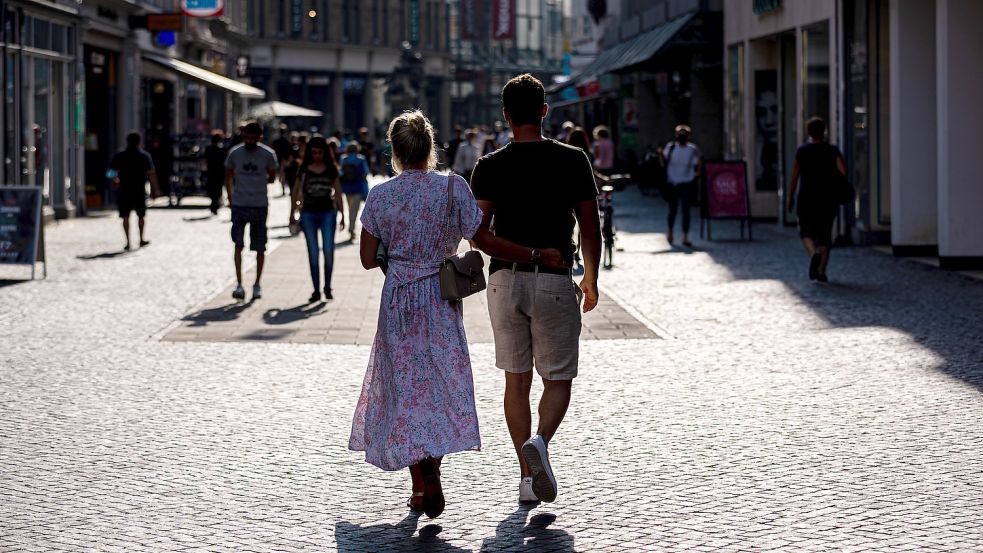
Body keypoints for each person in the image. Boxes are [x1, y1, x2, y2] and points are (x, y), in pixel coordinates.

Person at [470, 74, 601, 504]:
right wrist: (592, 278)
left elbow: (479, 236)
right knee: (558, 377)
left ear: (506, 116)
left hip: (504, 281)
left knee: (516, 381)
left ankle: (526, 478)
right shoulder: (572, 158)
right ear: (545, 111)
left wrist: (525, 253)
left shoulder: (489, 165)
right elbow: (590, 226)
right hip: (553, 281)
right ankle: (541, 442)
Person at [349, 110, 484, 519]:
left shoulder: (381, 195)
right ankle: (434, 470)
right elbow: (479, 231)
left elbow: (367, 258)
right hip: (441, 297)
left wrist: (399, 254)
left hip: (399, 300)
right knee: (441, 384)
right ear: (430, 148)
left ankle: (419, 482)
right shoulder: (453, 187)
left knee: (406, 388)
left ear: (395, 150)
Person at [787, 117, 847, 282]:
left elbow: (794, 177)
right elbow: (843, 172)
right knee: (825, 234)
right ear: (824, 131)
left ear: (809, 133)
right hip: (828, 198)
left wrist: (790, 197)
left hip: (807, 197)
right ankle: (821, 271)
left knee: (805, 232)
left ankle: (814, 254)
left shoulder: (802, 151)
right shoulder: (832, 150)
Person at [225, 122, 278, 301]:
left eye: (252, 138)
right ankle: (239, 284)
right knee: (238, 244)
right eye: (246, 137)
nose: (249, 141)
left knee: (259, 247)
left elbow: (272, 177)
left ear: (259, 138)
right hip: (240, 204)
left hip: (259, 204)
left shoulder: (268, 155)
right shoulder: (235, 153)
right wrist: (231, 200)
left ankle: (256, 284)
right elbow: (228, 176)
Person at [290, 136, 344, 302]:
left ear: (325, 153)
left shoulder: (331, 168)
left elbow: (338, 192)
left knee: (328, 251)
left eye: (320, 152)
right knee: (313, 253)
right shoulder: (304, 168)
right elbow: (295, 190)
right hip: (308, 214)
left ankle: (327, 287)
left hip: (328, 212)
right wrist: (291, 213)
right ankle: (316, 290)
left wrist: (343, 215)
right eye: (314, 152)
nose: (317, 156)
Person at [110, 132, 160, 250]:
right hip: (139, 189)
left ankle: (128, 241)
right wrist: (155, 189)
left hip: (124, 189)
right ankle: (141, 239)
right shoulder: (144, 156)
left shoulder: (120, 155)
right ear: (139, 142)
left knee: (125, 216)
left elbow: (111, 171)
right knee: (141, 215)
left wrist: (115, 180)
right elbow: (151, 174)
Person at [662, 124, 702, 247]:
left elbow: (699, 159)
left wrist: (696, 173)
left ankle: (685, 236)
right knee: (672, 210)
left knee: (685, 210)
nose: (682, 135)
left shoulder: (692, 149)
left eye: (684, 133)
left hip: (686, 182)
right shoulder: (671, 147)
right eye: (680, 133)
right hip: (673, 182)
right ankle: (670, 232)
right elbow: (663, 161)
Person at [339, 142, 370, 242]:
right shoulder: (361, 159)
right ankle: (351, 229)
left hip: (347, 188)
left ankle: (351, 229)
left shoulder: (343, 159)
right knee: (354, 210)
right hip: (358, 187)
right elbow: (365, 172)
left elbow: (341, 173)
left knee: (349, 208)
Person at [203, 131, 227, 214]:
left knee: (213, 189)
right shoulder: (222, 149)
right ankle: (215, 204)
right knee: (217, 189)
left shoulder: (209, 148)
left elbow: (205, 161)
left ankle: (214, 204)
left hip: (212, 172)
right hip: (219, 172)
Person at [271, 125, 294, 196]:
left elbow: (273, 149)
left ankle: (284, 189)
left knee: (282, 176)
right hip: (285, 160)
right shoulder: (287, 141)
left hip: (280, 160)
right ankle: (287, 190)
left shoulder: (277, 141)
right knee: (285, 176)